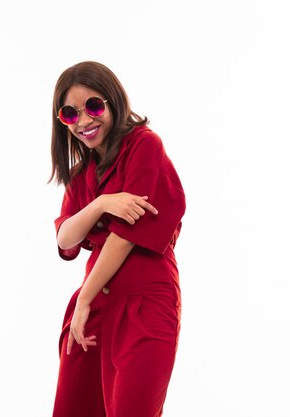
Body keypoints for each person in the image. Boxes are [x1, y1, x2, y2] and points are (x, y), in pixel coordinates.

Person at [49, 61, 186, 417]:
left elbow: (125, 237)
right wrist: (101, 203)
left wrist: (83, 300)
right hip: (93, 312)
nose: (83, 121)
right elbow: (65, 239)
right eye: (69, 113)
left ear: (112, 101)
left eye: (93, 106)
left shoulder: (144, 146)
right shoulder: (83, 173)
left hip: (144, 303)